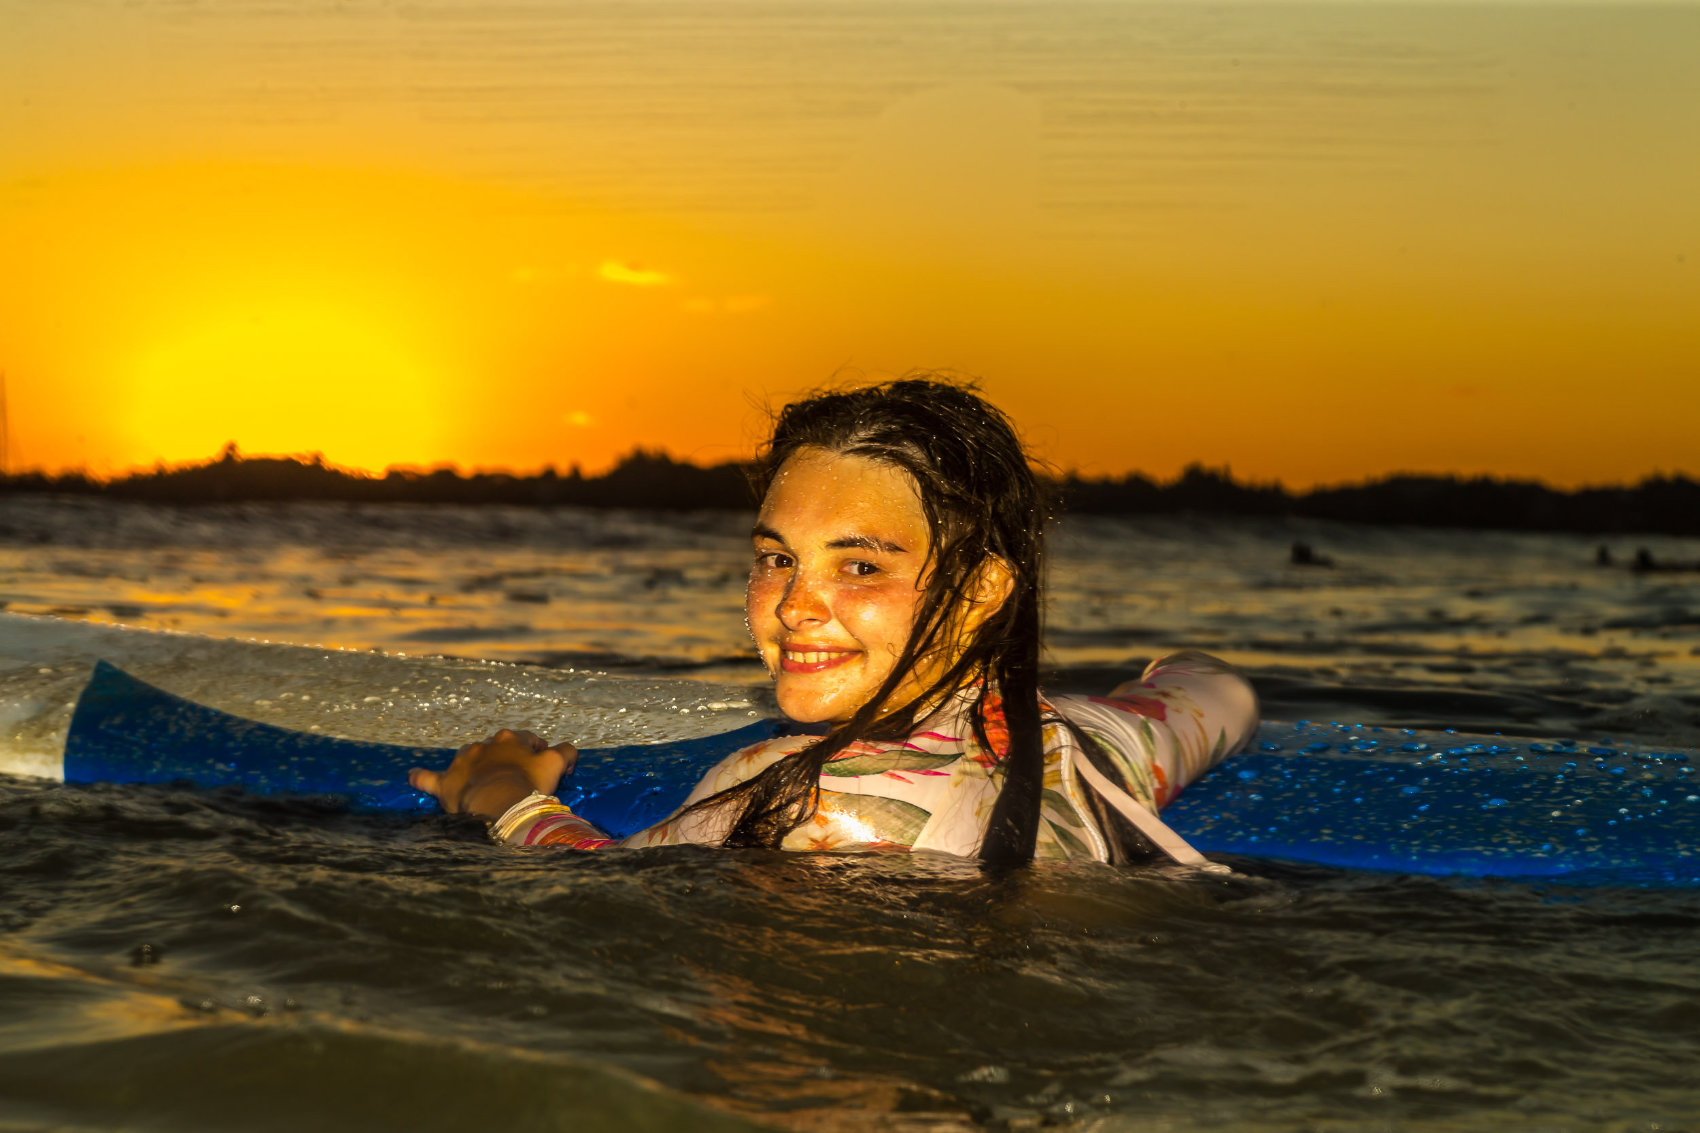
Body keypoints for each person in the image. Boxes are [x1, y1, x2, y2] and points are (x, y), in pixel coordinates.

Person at [410, 379, 1258, 869]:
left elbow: (591, 889)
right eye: (778, 557)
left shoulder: (791, 792)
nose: (792, 604)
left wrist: (504, 795)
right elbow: (1219, 690)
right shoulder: (1102, 743)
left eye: (860, 566)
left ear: (980, 591)